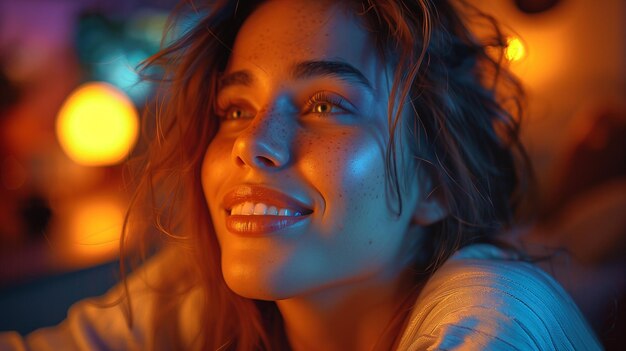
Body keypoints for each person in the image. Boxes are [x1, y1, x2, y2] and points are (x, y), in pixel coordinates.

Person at [0, 0, 602, 350]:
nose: (251, 143)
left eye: (324, 104)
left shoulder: (496, 315)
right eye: (235, 109)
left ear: (437, 181)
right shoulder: (195, 285)